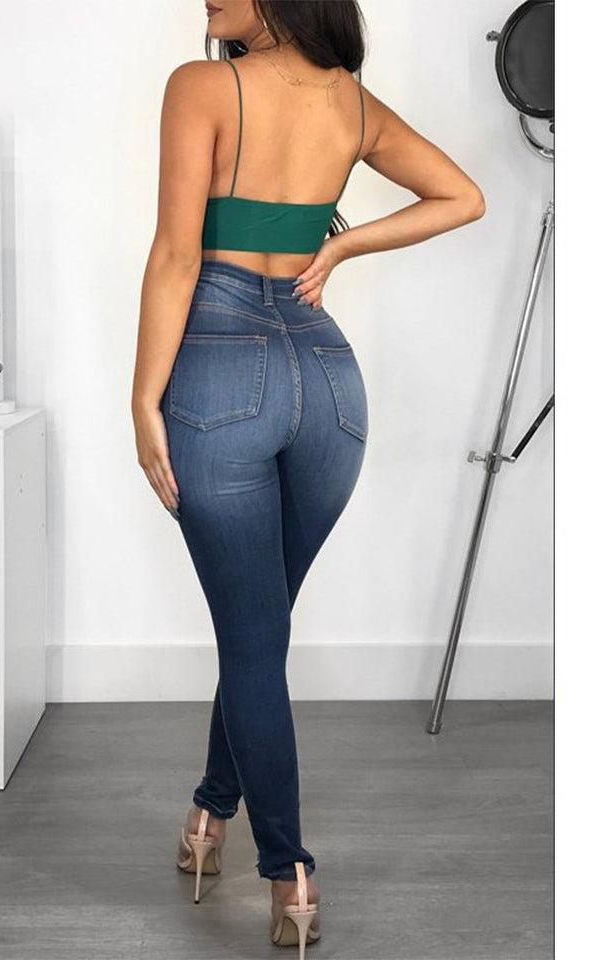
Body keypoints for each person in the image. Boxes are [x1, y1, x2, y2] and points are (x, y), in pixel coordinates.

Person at [131, 1, 485, 955]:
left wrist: (143, 397)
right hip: (328, 384)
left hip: (220, 370)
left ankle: (290, 874)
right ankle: (209, 814)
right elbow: (462, 196)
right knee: (262, 632)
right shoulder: (352, 105)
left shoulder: (204, 85)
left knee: (252, 641)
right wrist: (339, 245)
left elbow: (177, 253)